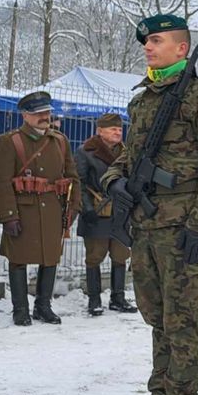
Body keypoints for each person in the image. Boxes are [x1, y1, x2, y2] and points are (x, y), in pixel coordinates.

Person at [103, 14, 198, 395]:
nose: (148, 47)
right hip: (146, 227)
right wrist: (114, 181)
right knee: (157, 319)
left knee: (183, 321)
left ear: (181, 48)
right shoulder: (142, 100)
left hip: (183, 230)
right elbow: (129, 156)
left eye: (157, 40)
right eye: (147, 42)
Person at [0, 91, 80, 326]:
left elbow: (72, 176)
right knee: (18, 259)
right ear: (25, 115)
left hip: (53, 209)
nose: (45, 117)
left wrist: (74, 206)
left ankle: (43, 306)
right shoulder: (11, 141)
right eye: (39, 113)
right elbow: (1, 181)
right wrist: (8, 215)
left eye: (47, 112)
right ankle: (20, 309)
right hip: (23, 210)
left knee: (50, 258)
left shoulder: (60, 141)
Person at [75, 112, 137, 316]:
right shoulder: (85, 152)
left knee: (120, 255)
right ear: (100, 131)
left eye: (120, 129)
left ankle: (118, 298)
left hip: (121, 211)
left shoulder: (127, 152)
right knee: (95, 256)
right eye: (113, 129)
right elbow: (79, 183)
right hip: (97, 211)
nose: (118, 132)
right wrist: (86, 208)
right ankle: (94, 299)